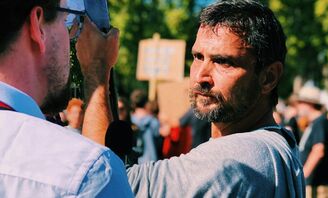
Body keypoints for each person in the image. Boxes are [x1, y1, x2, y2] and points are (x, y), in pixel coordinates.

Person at [86, 0, 305, 197]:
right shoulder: (277, 143)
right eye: (198, 57)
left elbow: (102, 184)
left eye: (223, 62)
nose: (201, 76)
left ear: (269, 77)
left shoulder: (241, 156)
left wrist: (96, 67)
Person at [0, 0, 132, 197]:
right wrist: (97, 69)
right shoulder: (88, 175)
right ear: (38, 26)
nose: (72, 38)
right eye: (67, 22)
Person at [296, 86, 328, 198]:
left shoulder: (320, 123)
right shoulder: (315, 123)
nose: (298, 106)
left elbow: (318, 151)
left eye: (300, 102)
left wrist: (302, 177)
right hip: (312, 185)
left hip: (317, 188)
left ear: (309, 104)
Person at [130, 89, 162, 163]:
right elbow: (158, 143)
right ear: (146, 103)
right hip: (151, 162)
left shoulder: (130, 121)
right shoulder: (153, 122)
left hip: (134, 163)